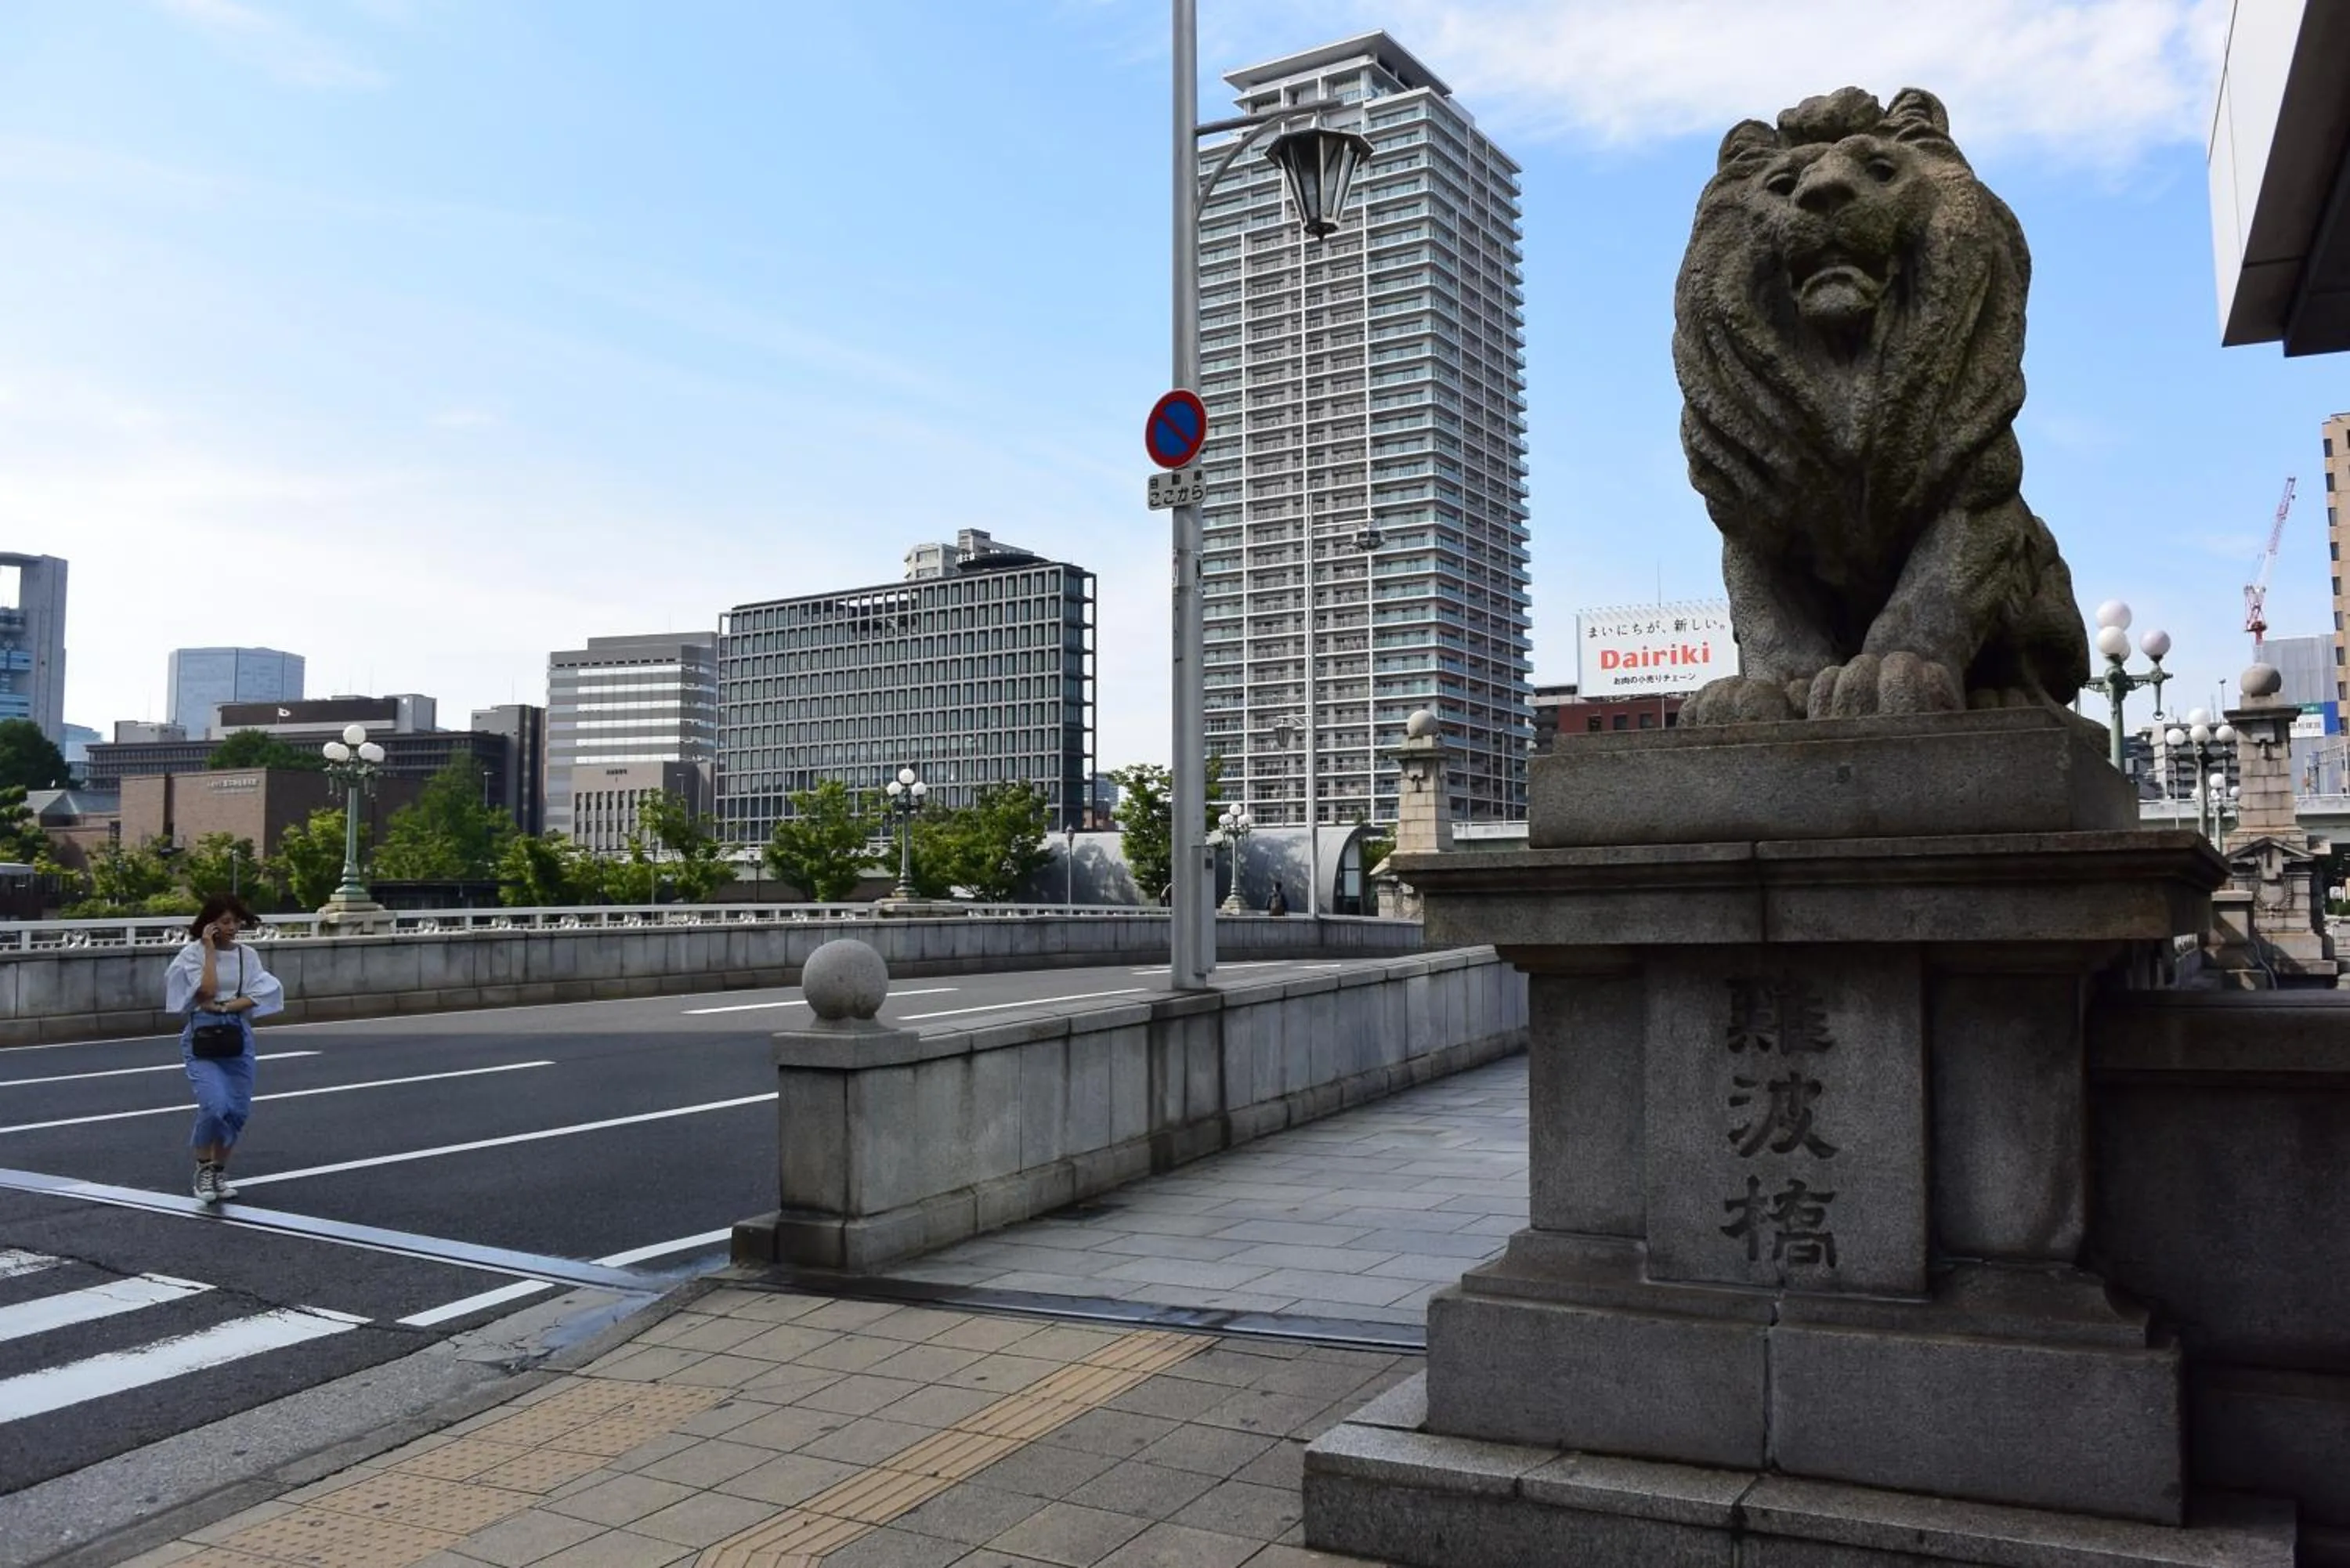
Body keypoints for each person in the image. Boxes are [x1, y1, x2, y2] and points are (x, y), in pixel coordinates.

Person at [164, 894, 284, 1203]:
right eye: (226, 922)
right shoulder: (192, 954)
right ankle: (203, 1169)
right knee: (215, 1105)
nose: (233, 927)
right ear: (210, 924)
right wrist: (207, 950)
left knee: (237, 1111)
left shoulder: (247, 955)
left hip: (237, 1032)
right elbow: (205, 991)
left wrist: (226, 1007)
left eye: (236, 921)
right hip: (202, 1034)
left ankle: (219, 1171)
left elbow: (262, 991)